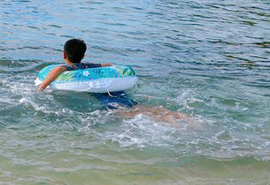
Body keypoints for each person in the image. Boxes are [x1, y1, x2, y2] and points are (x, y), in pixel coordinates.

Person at [37, 38, 197, 126]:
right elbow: (107, 65)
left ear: (63, 54)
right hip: (115, 89)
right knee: (136, 106)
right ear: (83, 56)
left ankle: (168, 121)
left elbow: (57, 70)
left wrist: (42, 87)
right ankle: (176, 115)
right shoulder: (89, 66)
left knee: (126, 113)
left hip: (104, 96)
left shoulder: (67, 69)